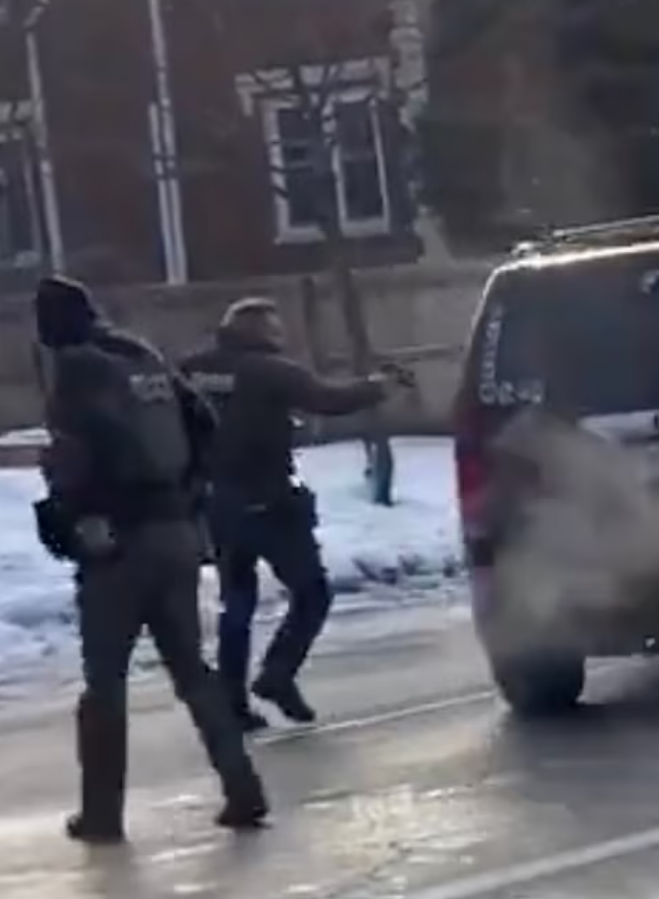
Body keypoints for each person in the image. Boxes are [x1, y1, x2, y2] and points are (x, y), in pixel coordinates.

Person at [31, 276, 268, 842]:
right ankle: (243, 788)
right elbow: (203, 423)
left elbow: (83, 452)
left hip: (120, 543)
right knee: (192, 670)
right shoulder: (143, 356)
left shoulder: (77, 369)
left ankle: (101, 815)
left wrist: (77, 511)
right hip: (177, 531)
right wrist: (189, 494)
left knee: (106, 684)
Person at [180, 297, 402, 729]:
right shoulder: (271, 371)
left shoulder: (190, 370)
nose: (280, 337)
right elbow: (329, 399)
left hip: (218, 505)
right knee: (311, 593)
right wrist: (381, 385)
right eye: (275, 329)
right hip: (270, 503)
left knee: (236, 604)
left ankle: (231, 703)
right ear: (263, 333)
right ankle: (278, 674)